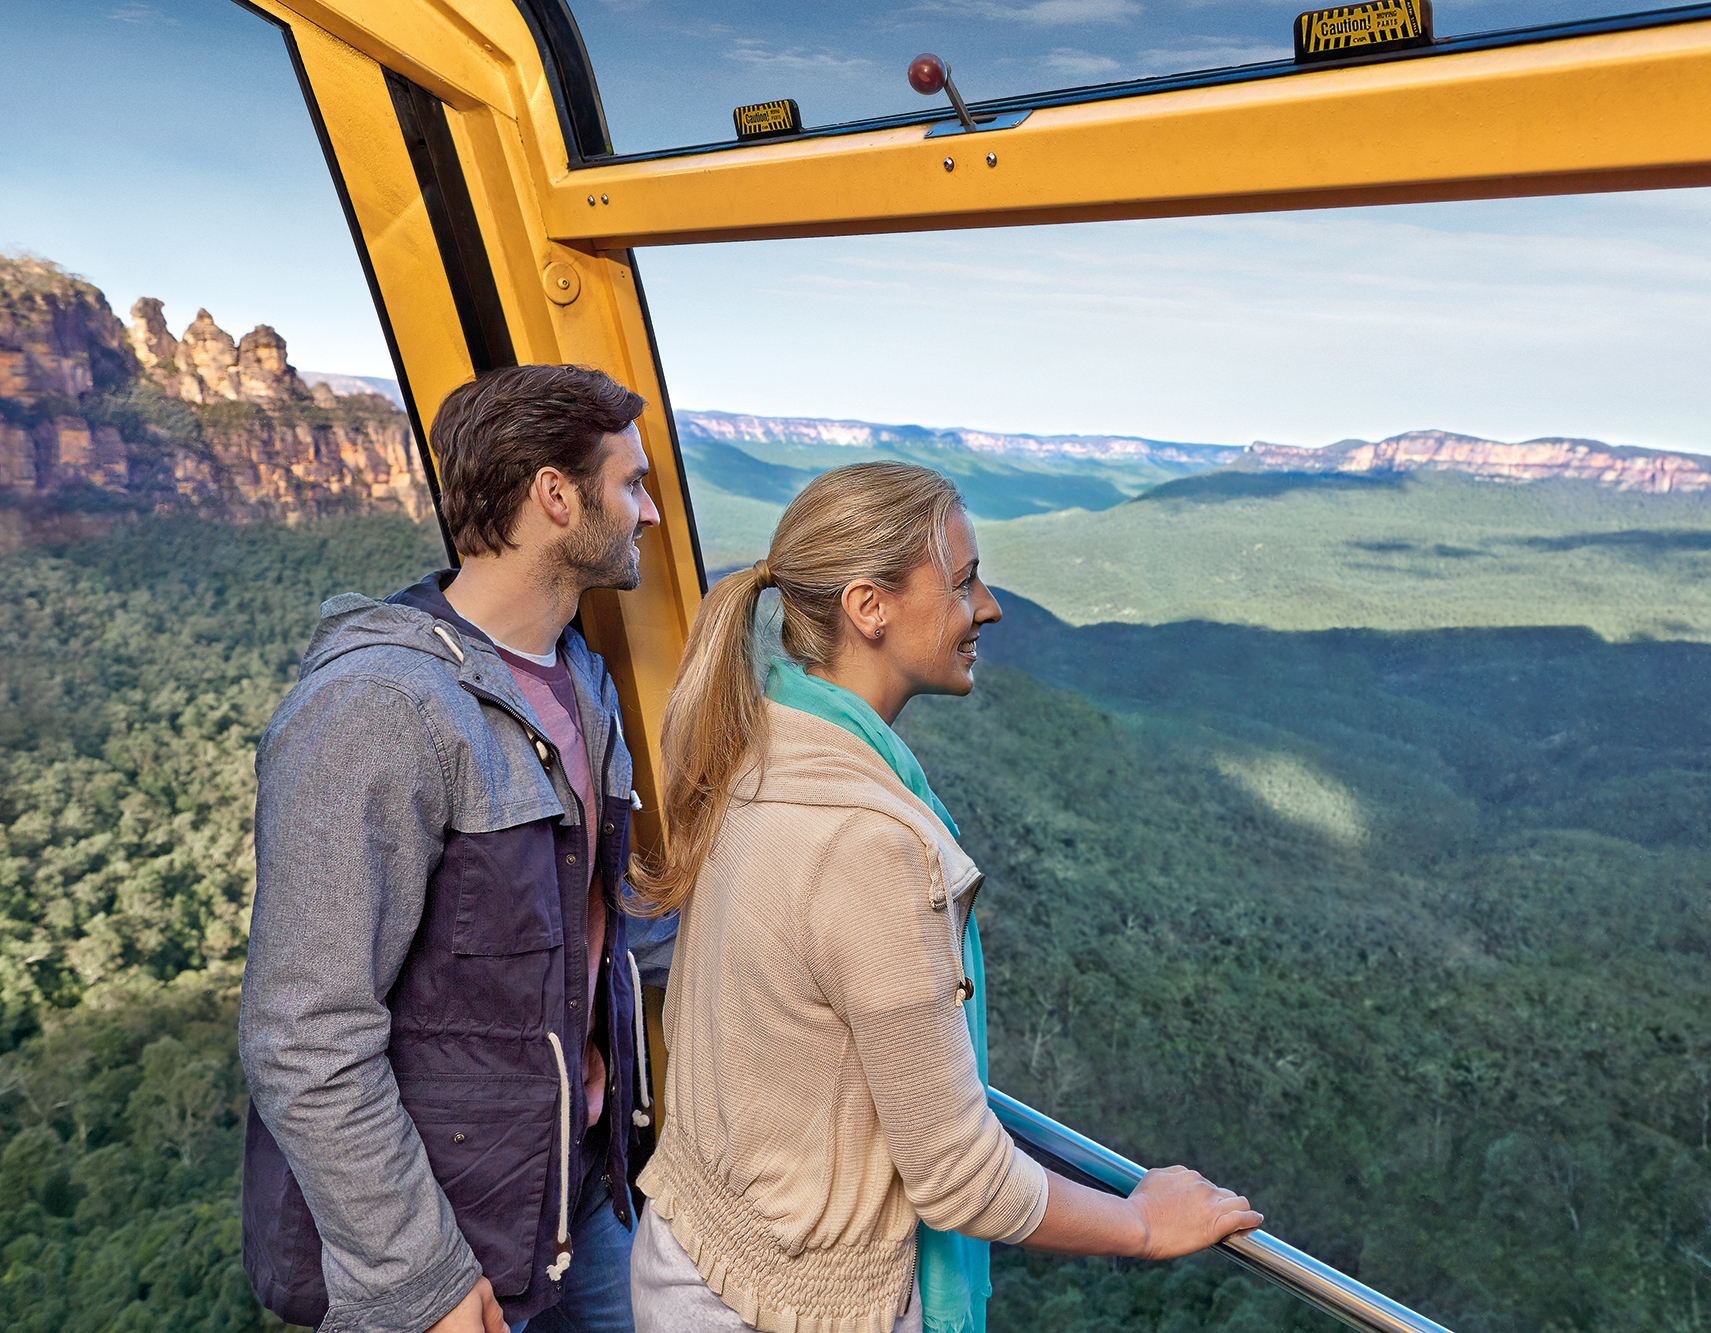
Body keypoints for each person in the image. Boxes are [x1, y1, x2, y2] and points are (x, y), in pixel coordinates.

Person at [626, 462, 1262, 1333]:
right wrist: (1144, 1223)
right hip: (788, 1306)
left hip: (698, 1252)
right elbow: (958, 1175)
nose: (988, 608)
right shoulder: (870, 847)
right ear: (868, 606)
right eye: (962, 583)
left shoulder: (762, 744)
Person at [240, 364, 677, 1333]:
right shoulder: (379, 708)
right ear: (554, 497)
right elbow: (303, 1034)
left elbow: (606, 918)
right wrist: (418, 1277)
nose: (648, 513)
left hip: (574, 1197)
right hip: (444, 1238)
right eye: (631, 484)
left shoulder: (579, 682)